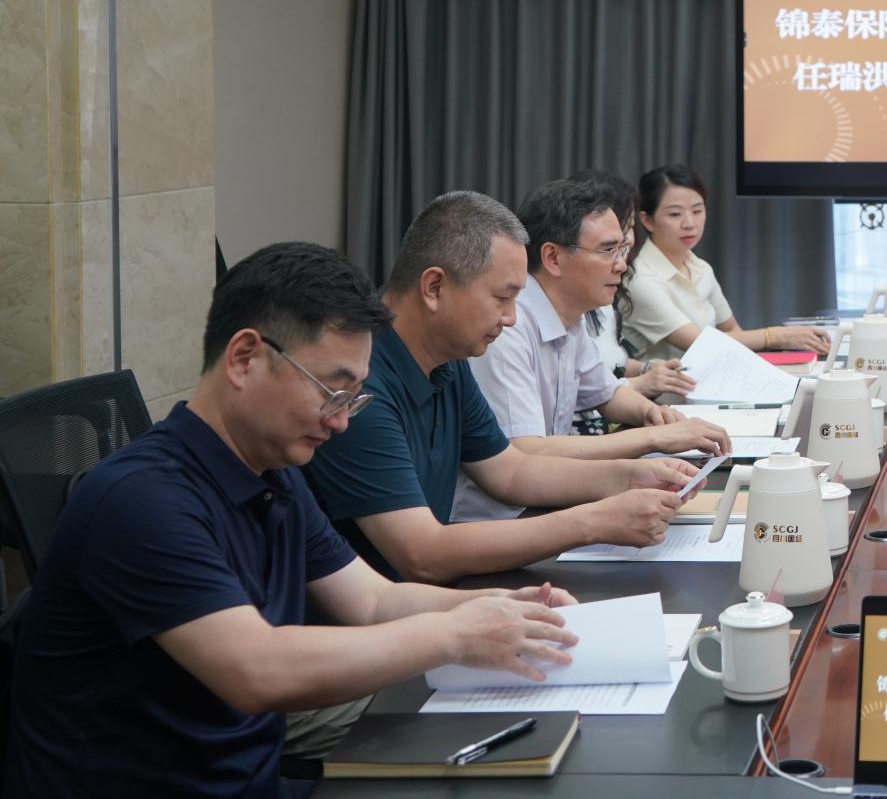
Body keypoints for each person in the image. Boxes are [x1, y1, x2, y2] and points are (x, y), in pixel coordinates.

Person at [2, 243, 583, 799]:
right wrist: (454, 635)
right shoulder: (140, 500)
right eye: (332, 391)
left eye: (353, 399)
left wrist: (505, 608)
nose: (341, 422)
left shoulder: (273, 473)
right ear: (245, 358)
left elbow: (374, 601)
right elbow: (257, 669)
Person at [303, 191, 692, 584]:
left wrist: (630, 477)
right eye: (502, 298)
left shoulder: (448, 358)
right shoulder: (360, 383)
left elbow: (510, 471)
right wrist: (592, 522)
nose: (511, 318)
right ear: (434, 287)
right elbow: (420, 554)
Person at [456, 178, 730, 522]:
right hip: (498, 519)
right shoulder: (509, 326)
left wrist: (654, 414)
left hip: (547, 500)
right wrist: (654, 437)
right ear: (552, 257)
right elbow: (525, 449)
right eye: (608, 250)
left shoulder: (571, 315)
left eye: (623, 250)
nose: (622, 265)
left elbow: (606, 392)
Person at [621, 163, 832, 362]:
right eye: (675, 214)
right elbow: (701, 343)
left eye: (697, 211)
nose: (689, 223)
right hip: (669, 387)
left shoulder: (701, 268)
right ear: (647, 220)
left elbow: (732, 330)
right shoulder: (640, 280)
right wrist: (776, 336)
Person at [571, 169, 697, 402]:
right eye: (622, 226)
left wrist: (647, 369)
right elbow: (579, 392)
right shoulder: (574, 299)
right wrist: (640, 384)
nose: (628, 239)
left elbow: (609, 363)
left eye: (630, 227)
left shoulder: (604, 290)